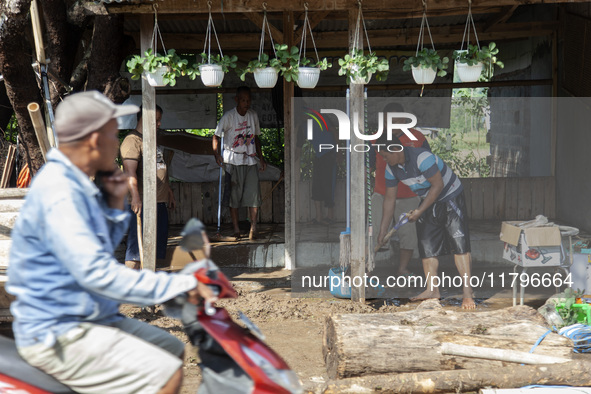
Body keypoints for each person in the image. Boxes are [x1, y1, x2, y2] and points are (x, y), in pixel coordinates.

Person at [6, 91, 216, 394]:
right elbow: (98, 274)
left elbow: (99, 248)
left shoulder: (80, 182)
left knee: (169, 347)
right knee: (164, 370)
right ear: (93, 140)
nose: (118, 145)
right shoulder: (61, 192)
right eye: (112, 135)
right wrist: (178, 286)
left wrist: (116, 208)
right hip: (62, 329)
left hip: (95, 315)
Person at [375, 133, 475, 309]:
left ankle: (468, 293)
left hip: (450, 196)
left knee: (459, 245)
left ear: (396, 149)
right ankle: (432, 290)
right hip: (427, 199)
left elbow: (438, 185)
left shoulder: (422, 158)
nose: (383, 160)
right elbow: (389, 200)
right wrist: (383, 230)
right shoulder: (391, 169)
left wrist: (420, 211)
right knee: (427, 246)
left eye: (385, 155)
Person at [371, 104, 431, 276]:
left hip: (409, 196)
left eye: (396, 121)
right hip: (382, 194)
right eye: (388, 121)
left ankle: (402, 269)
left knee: (408, 235)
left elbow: (427, 163)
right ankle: (368, 270)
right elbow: (367, 164)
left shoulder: (417, 137)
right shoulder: (375, 138)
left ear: (405, 120)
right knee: (377, 234)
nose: (392, 125)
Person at [121, 105, 176, 269]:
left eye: (159, 120)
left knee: (152, 251)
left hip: (158, 202)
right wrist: (136, 198)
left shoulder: (150, 140)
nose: (159, 124)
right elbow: (129, 172)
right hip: (143, 204)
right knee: (136, 251)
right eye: (156, 120)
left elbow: (158, 169)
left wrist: (169, 192)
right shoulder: (132, 141)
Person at [212, 86, 266, 241]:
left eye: (248, 100)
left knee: (253, 195)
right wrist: (216, 155)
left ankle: (253, 228)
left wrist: (261, 158)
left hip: (250, 159)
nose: (246, 103)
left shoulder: (253, 115)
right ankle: (236, 229)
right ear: (236, 100)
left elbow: (256, 138)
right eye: (243, 100)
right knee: (233, 197)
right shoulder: (229, 117)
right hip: (232, 161)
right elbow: (216, 136)